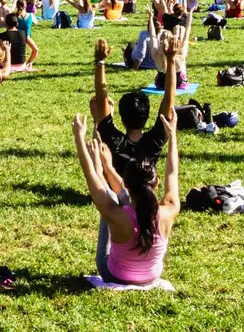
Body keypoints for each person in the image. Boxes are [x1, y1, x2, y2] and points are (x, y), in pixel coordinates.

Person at [71, 107, 179, 289]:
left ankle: (103, 169)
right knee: (118, 203)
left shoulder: (117, 215)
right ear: (156, 182)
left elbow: (90, 176)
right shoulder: (169, 209)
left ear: (126, 184)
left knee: (111, 201)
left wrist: (79, 138)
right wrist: (172, 136)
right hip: (151, 278)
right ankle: (104, 168)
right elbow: (173, 173)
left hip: (115, 276)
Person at [90, 37, 170, 177]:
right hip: (145, 195)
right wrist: (171, 60)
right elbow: (169, 97)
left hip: (117, 193)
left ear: (122, 118)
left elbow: (102, 99)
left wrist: (100, 62)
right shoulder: (154, 142)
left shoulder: (115, 141)